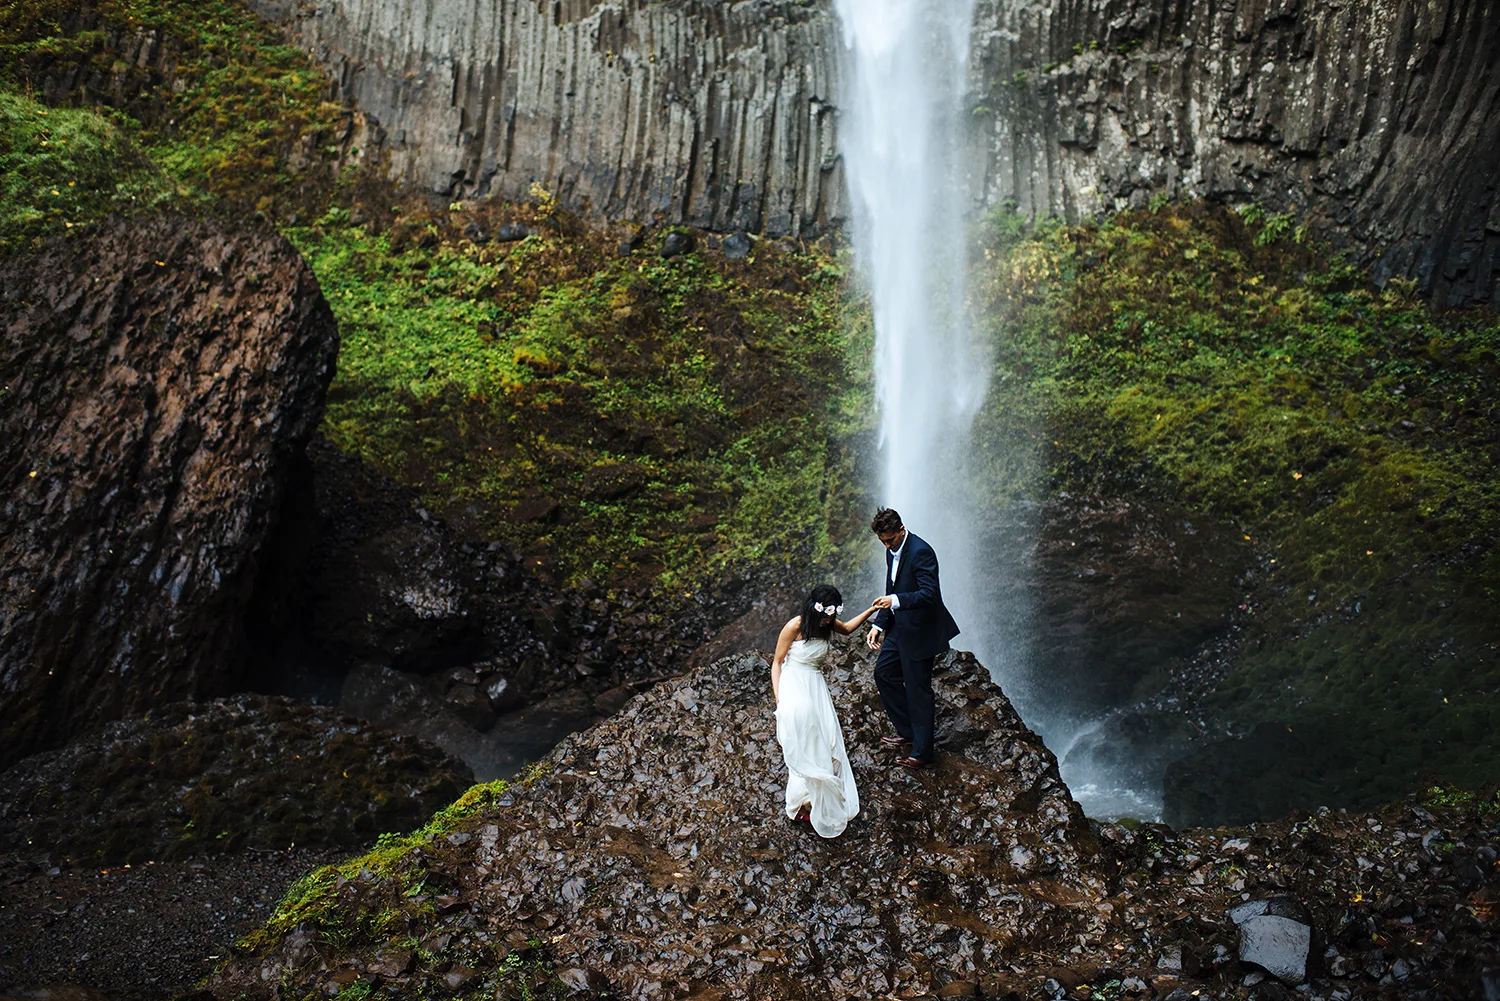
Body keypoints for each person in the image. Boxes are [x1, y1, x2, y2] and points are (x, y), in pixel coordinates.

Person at [770, 585, 880, 837]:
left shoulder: (827, 624)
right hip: (794, 683)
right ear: (814, 607)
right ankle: (799, 801)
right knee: (806, 737)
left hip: (816, 685)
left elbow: (849, 628)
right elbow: (776, 663)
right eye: (826, 614)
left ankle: (814, 798)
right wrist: (780, 699)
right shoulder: (795, 626)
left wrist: (872, 609)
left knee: (826, 738)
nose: (829, 619)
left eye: (832, 614)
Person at [865, 507, 960, 770]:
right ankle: (908, 731)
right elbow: (891, 589)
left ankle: (922, 753)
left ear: (901, 530)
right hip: (898, 628)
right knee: (883, 674)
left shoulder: (921, 551)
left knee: (919, 691)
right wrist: (879, 624)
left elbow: (930, 594)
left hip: (920, 631)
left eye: (890, 540)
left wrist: (895, 601)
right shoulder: (890, 550)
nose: (886, 545)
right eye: (882, 541)